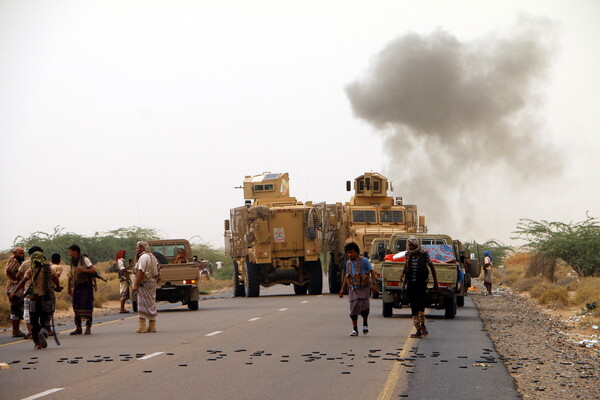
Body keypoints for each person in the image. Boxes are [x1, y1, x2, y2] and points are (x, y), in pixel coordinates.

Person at [10, 251, 61, 349]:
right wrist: (58, 287)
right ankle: (43, 332)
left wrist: (14, 292)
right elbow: (55, 278)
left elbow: (22, 281)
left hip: (34, 298)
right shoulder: (49, 269)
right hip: (46, 297)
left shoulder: (31, 270)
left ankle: (37, 343)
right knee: (46, 320)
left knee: (34, 321)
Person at [400, 237, 439, 338]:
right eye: (409, 245)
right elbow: (406, 265)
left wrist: (435, 282)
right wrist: (402, 273)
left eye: (411, 245)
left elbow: (431, 267)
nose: (410, 247)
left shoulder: (424, 253)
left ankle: (423, 325)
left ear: (416, 245)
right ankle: (418, 329)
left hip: (421, 284)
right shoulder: (407, 254)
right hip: (411, 284)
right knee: (413, 306)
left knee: (420, 305)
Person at [339, 242, 377, 336]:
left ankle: (365, 324)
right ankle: (355, 329)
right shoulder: (348, 263)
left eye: (351, 252)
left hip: (363, 288)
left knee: (364, 309)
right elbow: (346, 276)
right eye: (348, 253)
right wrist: (342, 290)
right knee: (353, 310)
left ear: (356, 252)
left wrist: (374, 284)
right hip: (353, 289)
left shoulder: (364, 261)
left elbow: (371, 271)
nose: (349, 255)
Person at [67, 244, 96, 335]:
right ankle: (78, 328)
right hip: (77, 286)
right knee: (76, 307)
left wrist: (83, 270)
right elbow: (71, 275)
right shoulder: (72, 261)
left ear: (76, 251)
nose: (69, 253)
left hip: (86, 286)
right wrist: (69, 286)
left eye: (70, 251)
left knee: (87, 307)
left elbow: (93, 270)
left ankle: (88, 328)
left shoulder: (85, 259)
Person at [132, 241, 159, 333]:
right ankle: (152, 325)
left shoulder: (143, 257)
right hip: (153, 282)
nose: (136, 250)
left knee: (142, 303)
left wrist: (135, 284)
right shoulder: (153, 256)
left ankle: (142, 326)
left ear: (142, 248)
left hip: (145, 283)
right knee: (151, 302)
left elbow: (141, 271)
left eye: (137, 248)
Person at [4, 247, 27, 338]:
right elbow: (8, 270)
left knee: (17, 309)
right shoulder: (15, 262)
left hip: (15, 288)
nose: (22, 255)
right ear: (15, 254)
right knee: (15, 309)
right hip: (14, 289)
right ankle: (15, 330)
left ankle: (16, 330)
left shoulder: (17, 262)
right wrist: (15, 280)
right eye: (20, 253)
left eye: (22, 253)